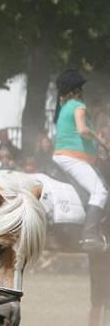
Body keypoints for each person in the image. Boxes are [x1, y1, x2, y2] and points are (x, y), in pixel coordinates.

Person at [52, 68, 109, 251]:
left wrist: (95, 153)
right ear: (77, 90)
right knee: (100, 192)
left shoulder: (63, 108)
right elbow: (83, 130)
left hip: (67, 157)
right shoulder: (78, 106)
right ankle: (90, 236)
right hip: (72, 158)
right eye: (81, 88)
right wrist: (101, 140)